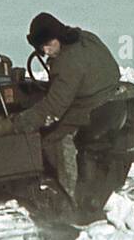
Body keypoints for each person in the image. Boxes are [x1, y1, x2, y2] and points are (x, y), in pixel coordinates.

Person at [11, 12, 123, 207]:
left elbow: (53, 109)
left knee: (51, 138)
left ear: (58, 35)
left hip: (90, 107)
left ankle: (70, 196)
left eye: (48, 44)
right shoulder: (87, 37)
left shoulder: (66, 63)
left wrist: (22, 121)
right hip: (115, 102)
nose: (46, 51)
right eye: (41, 48)